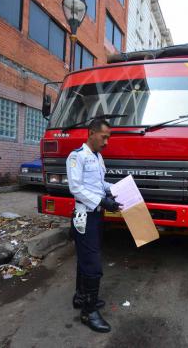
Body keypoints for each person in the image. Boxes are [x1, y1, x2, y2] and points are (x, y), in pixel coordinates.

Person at [66, 119, 122, 333]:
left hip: (97, 216)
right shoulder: (76, 156)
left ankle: (81, 297)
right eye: (104, 136)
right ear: (91, 133)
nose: (106, 142)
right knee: (93, 265)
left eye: (108, 137)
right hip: (84, 216)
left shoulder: (98, 157)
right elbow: (76, 188)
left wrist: (119, 188)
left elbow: (100, 184)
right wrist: (102, 201)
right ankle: (88, 312)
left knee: (87, 257)